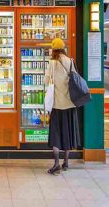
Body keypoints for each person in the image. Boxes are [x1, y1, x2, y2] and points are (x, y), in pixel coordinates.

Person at [45, 38, 80, 174]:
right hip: (70, 104)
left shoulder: (52, 63)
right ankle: (66, 162)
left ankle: (56, 163)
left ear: (54, 49)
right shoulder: (70, 61)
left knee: (55, 134)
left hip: (57, 105)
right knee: (68, 133)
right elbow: (76, 79)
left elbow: (46, 80)